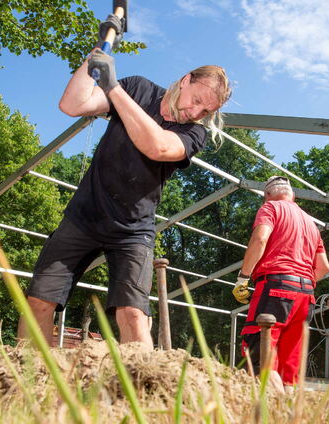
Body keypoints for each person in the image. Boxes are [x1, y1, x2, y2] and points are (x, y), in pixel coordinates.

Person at [19, 15, 231, 347]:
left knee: (132, 314)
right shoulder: (138, 88)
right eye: (198, 100)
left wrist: (112, 86)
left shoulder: (194, 134)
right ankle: (28, 385)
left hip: (133, 230)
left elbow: (158, 146)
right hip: (83, 218)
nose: (196, 112)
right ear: (186, 80)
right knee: (38, 302)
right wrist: (96, 56)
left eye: (206, 111)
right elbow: (72, 104)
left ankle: (142, 392)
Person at [233, 176, 329, 393]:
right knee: (290, 365)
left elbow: (260, 239)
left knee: (261, 354)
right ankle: (288, 415)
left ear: (266, 195)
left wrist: (243, 277)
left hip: (275, 288)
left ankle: (265, 413)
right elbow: (323, 268)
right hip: (306, 295)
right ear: (293, 195)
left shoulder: (270, 208)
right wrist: (301, 281)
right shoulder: (310, 222)